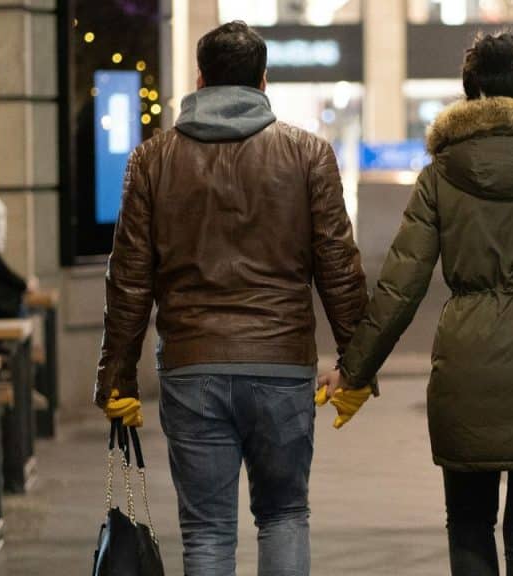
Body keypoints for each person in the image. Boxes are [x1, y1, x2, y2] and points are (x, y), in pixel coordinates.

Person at [318, 32, 513, 576]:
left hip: (467, 368)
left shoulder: (441, 174)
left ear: (470, 92)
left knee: (468, 525)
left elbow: (400, 283)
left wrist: (354, 370)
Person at [94, 21, 368, 575]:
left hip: (192, 367)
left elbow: (128, 279)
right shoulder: (308, 153)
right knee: (285, 514)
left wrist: (117, 377)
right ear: (263, 81)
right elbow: (339, 267)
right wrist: (356, 366)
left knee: (208, 533)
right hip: (282, 365)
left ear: (200, 79)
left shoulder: (153, 160)